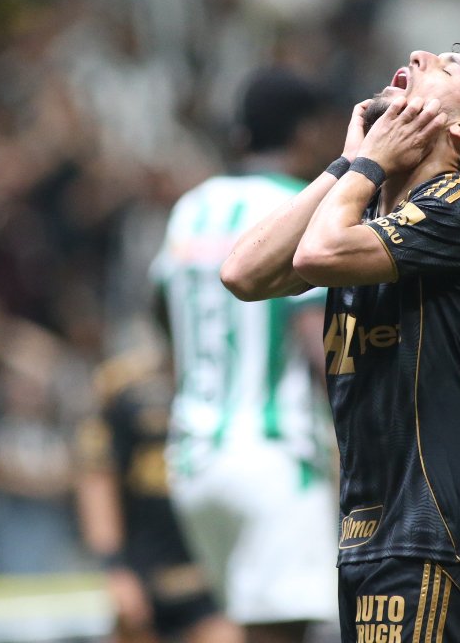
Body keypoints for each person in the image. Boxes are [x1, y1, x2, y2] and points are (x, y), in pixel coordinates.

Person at [220, 47, 460, 643]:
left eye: (449, 68)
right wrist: (349, 161)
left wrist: (366, 165)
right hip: (370, 532)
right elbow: (244, 273)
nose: (418, 54)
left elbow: (314, 256)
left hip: (432, 528)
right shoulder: (367, 211)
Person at [150, 68, 343, 643]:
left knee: (238, 624)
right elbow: (320, 342)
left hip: (193, 458)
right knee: (280, 632)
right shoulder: (305, 207)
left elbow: (163, 313)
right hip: (272, 456)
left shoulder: (193, 207)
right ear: (310, 135)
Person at [75, 345, 242, 643]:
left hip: (212, 577)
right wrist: (114, 569)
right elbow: (98, 479)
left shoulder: (235, 378)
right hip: (143, 575)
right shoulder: (124, 388)